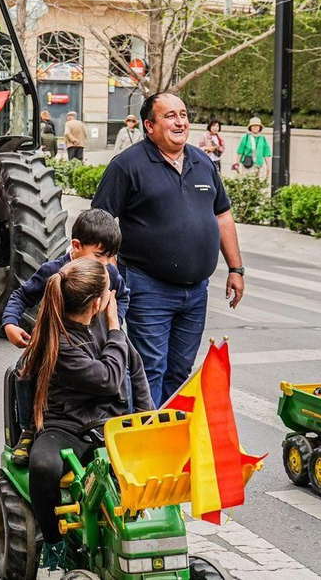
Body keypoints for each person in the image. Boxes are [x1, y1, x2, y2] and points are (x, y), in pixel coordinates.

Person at [91, 91, 244, 405]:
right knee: (150, 369)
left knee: (180, 370)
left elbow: (223, 215)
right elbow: (99, 221)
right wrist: (110, 273)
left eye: (183, 114)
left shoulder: (202, 162)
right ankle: (144, 440)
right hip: (148, 287)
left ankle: (168, 436)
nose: (180, 122)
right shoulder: (127, 165)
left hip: (196, 290)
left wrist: (236, 269)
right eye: (170, 116)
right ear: (149, 126)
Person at [18, 258, 151, 576]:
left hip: (110, 424)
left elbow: (134, 368)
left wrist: (146, 418)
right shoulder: (62, 339)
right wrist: (116, 329)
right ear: (97, 302)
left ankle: (138, 543)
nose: (114, 294)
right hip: (66, 427)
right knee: (43, 465)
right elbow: (107, 378)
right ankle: (53, 543)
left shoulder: (107, 327)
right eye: (110, 290)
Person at [1, 208, 131, 465]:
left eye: (110, 257)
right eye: (99, 255)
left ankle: (123, 422)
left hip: (92, 340)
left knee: (121, 371)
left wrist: (111, 321)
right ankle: (31, 428)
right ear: (76, 246)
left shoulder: (109, 273)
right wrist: (10, 323)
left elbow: (123, 296)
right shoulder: (54, 271)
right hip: (52, 342)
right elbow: (21, 296)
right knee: (24, 372)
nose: (104, 263)